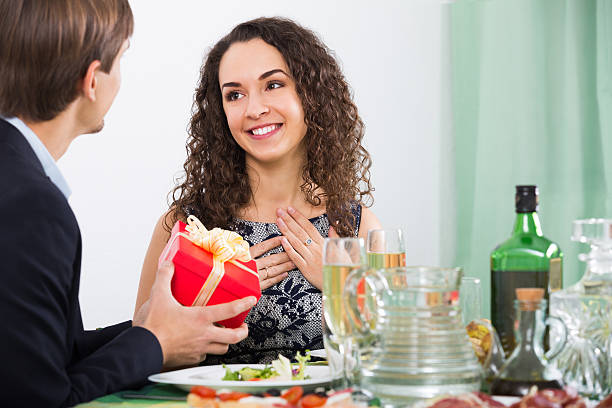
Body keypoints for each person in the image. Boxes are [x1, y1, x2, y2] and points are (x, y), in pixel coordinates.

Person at [0, 1, 256, 406]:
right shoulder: (30, 203)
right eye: (119, 60)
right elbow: (39, 397)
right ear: (91, 81)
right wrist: (156, 343)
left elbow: (42, 359)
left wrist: (149, 328)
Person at [135, 17, 381, 364]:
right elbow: (141, 355)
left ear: (312, 94)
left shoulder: (357, 227)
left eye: (274, 85)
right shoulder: (186, 228)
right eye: (235, 95)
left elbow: (391, 358)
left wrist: (342, 285)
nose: (254, 109)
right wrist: (203, 294)